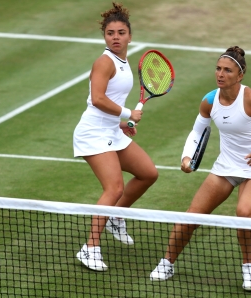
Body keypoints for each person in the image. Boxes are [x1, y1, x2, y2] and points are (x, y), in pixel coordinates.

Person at [149, 46, 251, 291]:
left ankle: (249, 268)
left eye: (227, 70)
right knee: (191, 217)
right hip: (226, 166)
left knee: (245, 212)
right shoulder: (210, 100)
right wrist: (186, 157)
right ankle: (167, 262)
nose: (221, 74)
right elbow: (197, 130)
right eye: (218, 68)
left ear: (240, 75)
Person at [73, 2, 158, 272]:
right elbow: (97, 99)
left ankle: (115, 216)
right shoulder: (104, 62)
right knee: (114, 189)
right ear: (105, 36)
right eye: (111, 33)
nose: (116, 37)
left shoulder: (123, 61)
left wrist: (122, 124)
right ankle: (90, 249)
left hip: (110, 129)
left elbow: (110, 99)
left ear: (130, 35)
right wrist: (127, 112)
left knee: (148, 173)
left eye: (121, 32)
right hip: (93, 132)